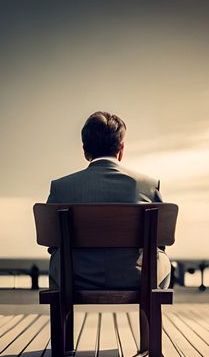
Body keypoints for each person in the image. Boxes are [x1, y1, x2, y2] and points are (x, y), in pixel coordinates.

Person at [47, 111, 171, 290]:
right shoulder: (149, 186)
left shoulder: (61, 187)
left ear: (85, 150)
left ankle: (63, 317)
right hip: (136, 278)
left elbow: (52, 243)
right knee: (161, 257)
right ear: (121, 149)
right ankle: (148, 312)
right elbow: (160, 242)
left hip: (74, 278)